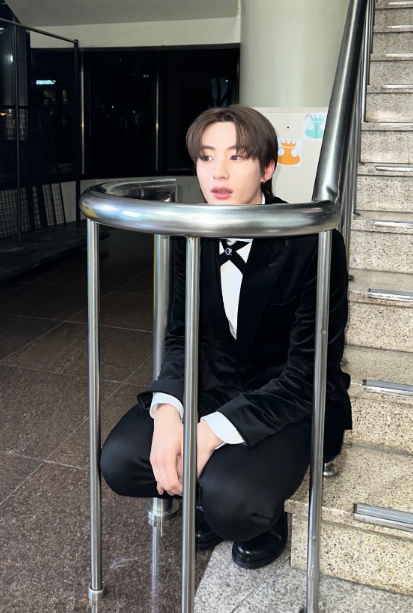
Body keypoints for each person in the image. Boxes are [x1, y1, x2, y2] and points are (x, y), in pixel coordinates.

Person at [101, 104, 351, 569]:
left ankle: (258, 513)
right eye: (206, 156)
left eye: (237, 157)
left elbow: (310, 371)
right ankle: (209, 491)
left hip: (284, 396)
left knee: (235, 502)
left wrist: (210, 431)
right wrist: (169, 411)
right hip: (212, 382)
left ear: (268, 168)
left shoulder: (312, 240)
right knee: (119, 462)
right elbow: (181, 338)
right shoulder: (189, 235)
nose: (218, 172)